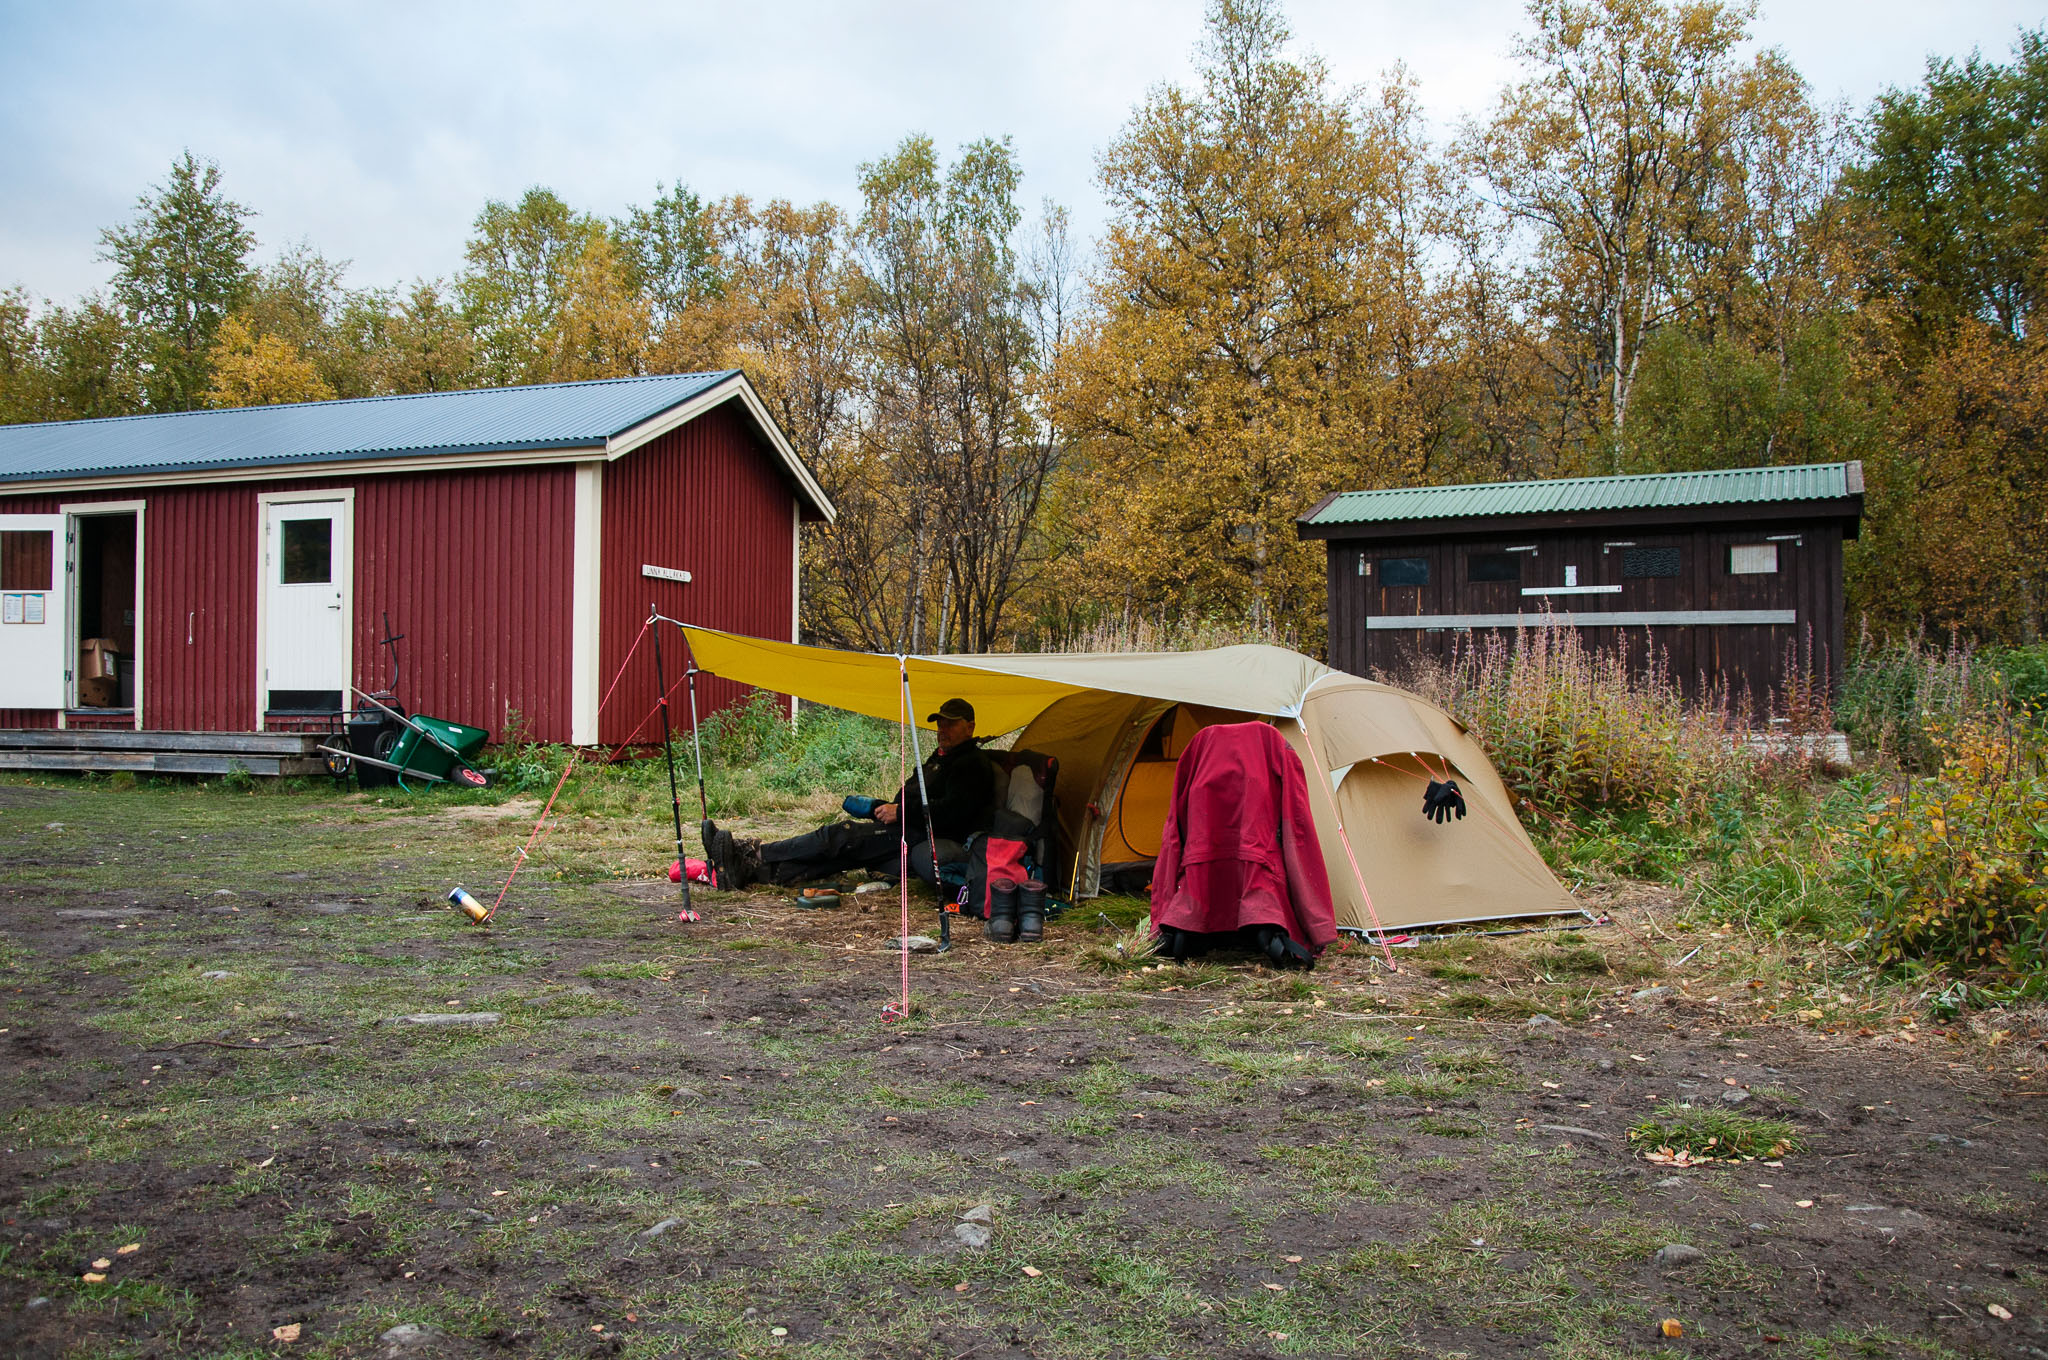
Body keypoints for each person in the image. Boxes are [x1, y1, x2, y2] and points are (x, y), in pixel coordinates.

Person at [701, 697, 1000, 889]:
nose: (943, 729)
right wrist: (887, 807)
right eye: (940, 723)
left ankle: (753, 851)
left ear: (970, 727)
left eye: (951, 723)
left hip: (929, 835)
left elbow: (953, 814)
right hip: (909, 824)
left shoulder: (971, 764)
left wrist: (901, 812)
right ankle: (752, 873)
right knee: (840, 856)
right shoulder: (942, 758)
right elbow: (915, 794)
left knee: (841, 836)